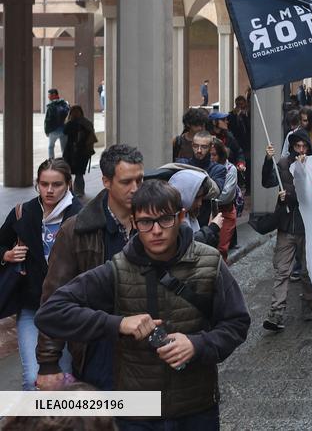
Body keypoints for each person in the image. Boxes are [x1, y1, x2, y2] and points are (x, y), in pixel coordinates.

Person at [34, 180, 250, 429]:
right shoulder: (117, 269)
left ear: (180, 217)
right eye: (146, 222)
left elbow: (237, 322)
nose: (156, 230)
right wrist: (118, 323)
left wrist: (197, 344)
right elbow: (50, 312)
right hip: (136, 412)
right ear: (135, 223)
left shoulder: (209, 262)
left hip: (196, 407)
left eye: (165, 219)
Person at [35, 144, 144, 391]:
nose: (135, 189)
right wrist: (49, 362)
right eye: (126, 182)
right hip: (98, 348)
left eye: (140, 180)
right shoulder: (77, 230)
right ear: (106, 181)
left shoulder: (154, 223)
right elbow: (54, 296)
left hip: (146, 349)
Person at [0, 159, 81, 390]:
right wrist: (6, 255)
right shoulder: (24, 212)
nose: (49, 190)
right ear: (37, 183)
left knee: (62, 379)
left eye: (56, 184)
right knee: (32, 378)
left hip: (68, 308)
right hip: (31, 306)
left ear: (68, 184)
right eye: (44, 184)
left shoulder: (81, 215)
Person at [261, 134, 312, 345]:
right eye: (297, 146)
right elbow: (268, 181)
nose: (301, 150)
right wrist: (268, 161)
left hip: (308, 227)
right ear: (292, 147)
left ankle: (309, 304)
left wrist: (290, 193)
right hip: (286, 225)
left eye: (304, 146)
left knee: (307, 270)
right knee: (282, 270)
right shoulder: (283, 164)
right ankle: (276, 313)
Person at [63, 105, 97, 198]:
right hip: (76, 152)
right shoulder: (85, 123)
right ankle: (76, 191)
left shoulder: (76, 123)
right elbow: (65, 131)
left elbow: (65, 131)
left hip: (79, 152)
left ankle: (76, 191)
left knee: (77, 174)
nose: (75, 114)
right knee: (76, 173)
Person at [44, 88, 70, 159]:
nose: (48, 96)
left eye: (49, 95)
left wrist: (46, 131)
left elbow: (47, 120)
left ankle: (51, 161)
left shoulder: (51, 106)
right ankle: (65, 161)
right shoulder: (64, 103)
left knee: (51, 147)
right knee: (64, 148)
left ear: (54, 95)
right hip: (64, 130)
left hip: (53, 130)